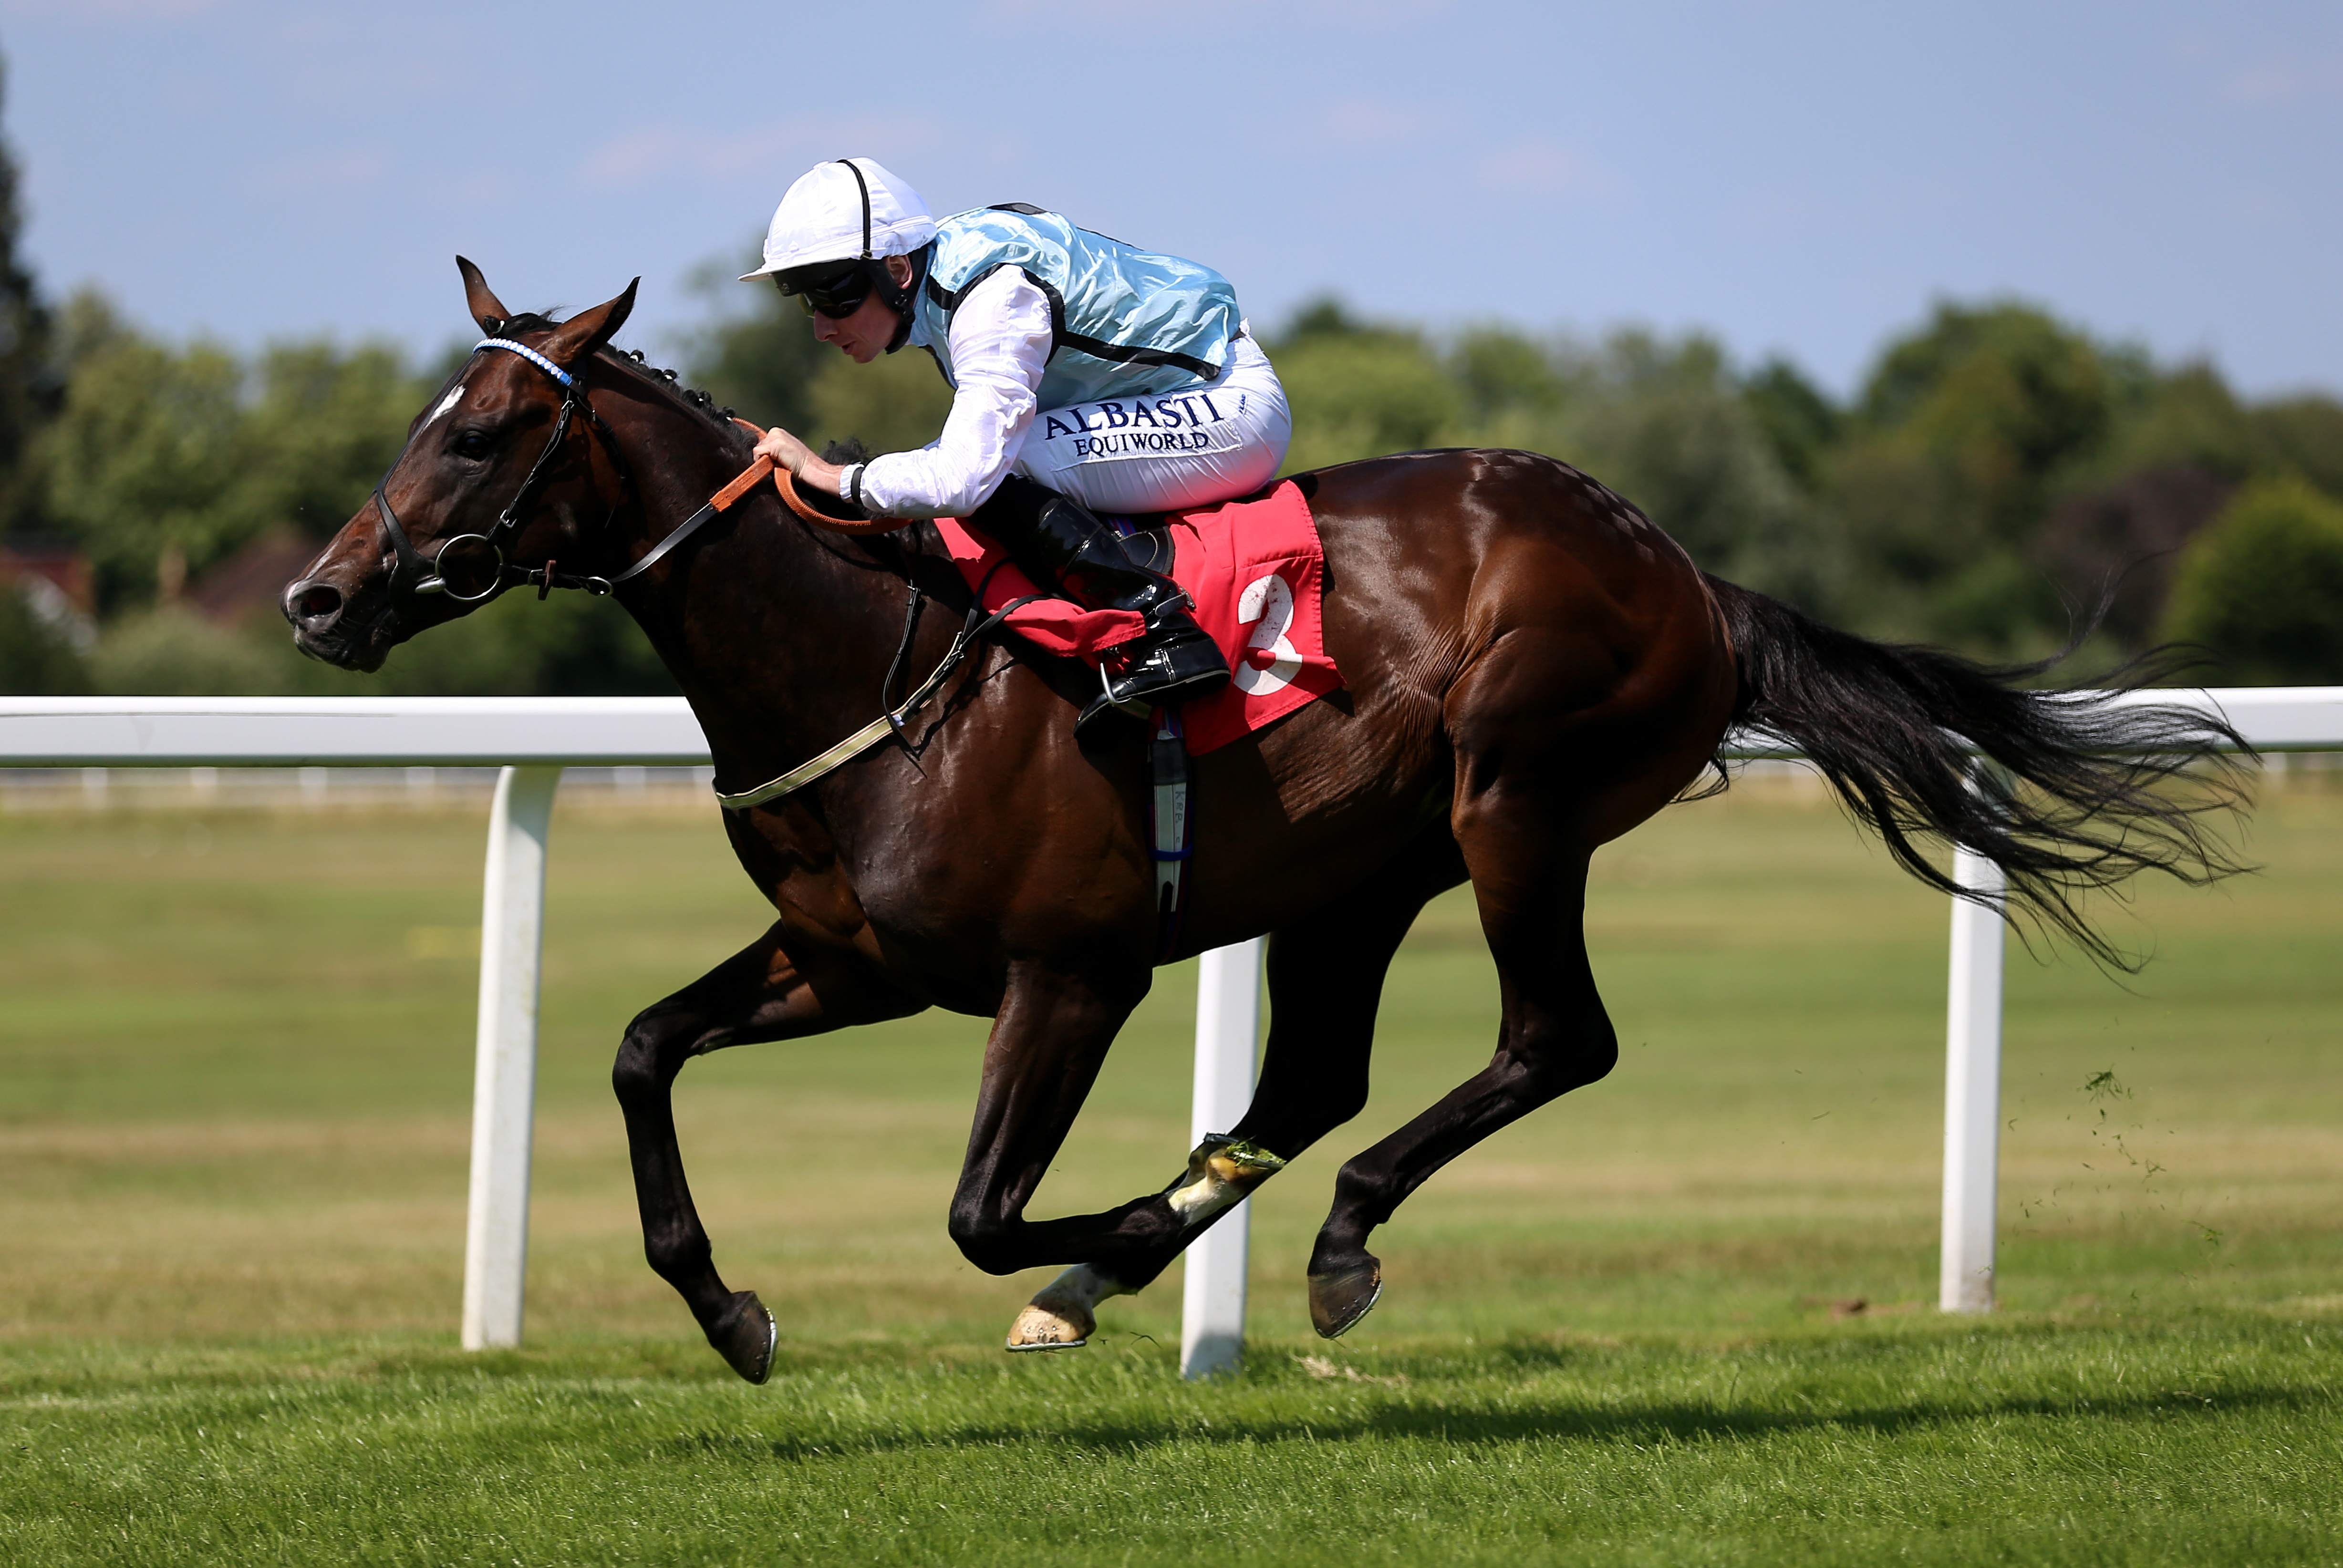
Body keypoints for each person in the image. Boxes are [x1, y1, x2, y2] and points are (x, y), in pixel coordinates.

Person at [742, 157, 1292, 726]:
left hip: (1227, 405)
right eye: (808, 302)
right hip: (1168, 395)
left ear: (897, 269)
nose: (821, 327)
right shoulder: (940, 278)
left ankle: (1165, 631)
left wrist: (833, 476)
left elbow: (962, 478)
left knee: (998, 472)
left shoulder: (993, 297)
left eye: (833, 297)